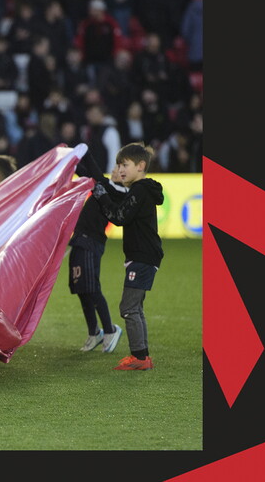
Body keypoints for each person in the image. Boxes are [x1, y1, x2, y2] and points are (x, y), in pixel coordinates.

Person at [88, 143, 164, 370]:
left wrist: (101, 197)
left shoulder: (140, 190)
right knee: (135, 308)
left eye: (125, 165)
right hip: (144, 256)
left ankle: (140, 358)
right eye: (118, 165)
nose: (120, 169)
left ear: (140, 166)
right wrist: (102, 187)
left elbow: (119, 216)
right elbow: (121, 207)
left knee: (128, 307)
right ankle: (142, 356)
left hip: (142, 257)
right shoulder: (141, 190)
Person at [70, 157, 128, 354]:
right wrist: (71, 157)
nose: (115, 170)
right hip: (80, 240)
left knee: (92, 288)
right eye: (116, 166)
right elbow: (87, 174)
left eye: (121, 167)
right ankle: (94, 332)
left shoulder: (120, 192)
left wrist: (84, 151)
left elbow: (93, 173)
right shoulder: (106, 186)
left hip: (91, 242)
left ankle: (110, 330)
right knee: (81, 288)